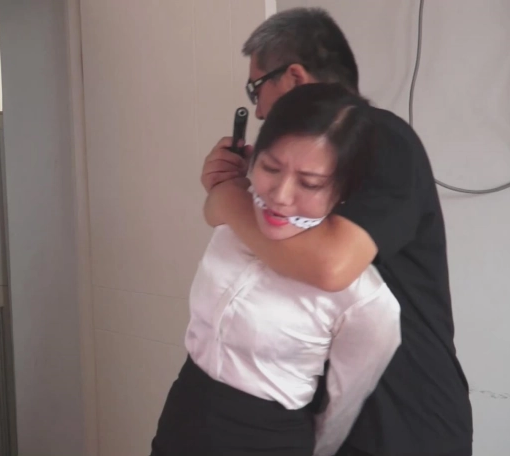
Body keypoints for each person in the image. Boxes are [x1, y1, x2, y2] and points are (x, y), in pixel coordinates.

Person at [200, 8, 473, 456]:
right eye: (273, 168)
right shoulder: (319, 156)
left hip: (401, 413)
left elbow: (331, 265)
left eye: (257, 88)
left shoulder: (381, 136)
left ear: (293, 77)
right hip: (329, 411)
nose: (259, 110)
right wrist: (235, 188)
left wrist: (229, 202)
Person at [150, 83, 401, 456]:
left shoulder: (364, 298)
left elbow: (341, 408)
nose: (280, 196)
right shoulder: (234, 220)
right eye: (270, 167)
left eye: (310, 183)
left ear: (344, 191)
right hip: (183, 415)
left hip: (268, 439)